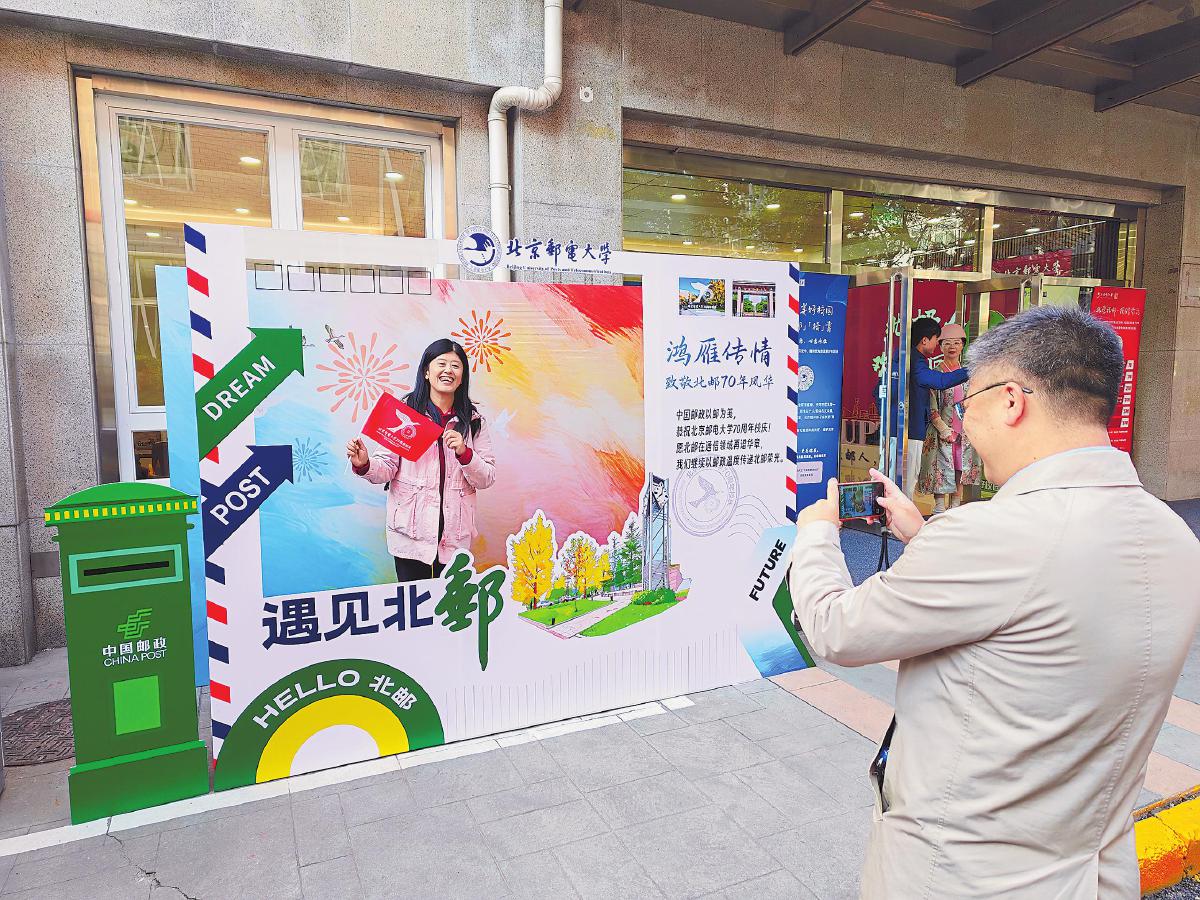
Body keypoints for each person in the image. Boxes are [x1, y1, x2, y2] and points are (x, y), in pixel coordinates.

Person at [789, 305, 1200, 898]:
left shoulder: (988, 536)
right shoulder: (1172, 536)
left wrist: (816, 535)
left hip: (959, 875)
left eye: (968, 401)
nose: (965, 418)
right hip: (1094, 872)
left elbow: (835, 628)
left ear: (1011, 401)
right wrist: (925, 538)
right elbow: (1047, 606)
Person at [346, 338, 496, 582]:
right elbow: (387, 467)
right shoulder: (404, 413)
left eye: (456, 366)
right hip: (410, 535)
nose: (448, 370)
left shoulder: (474, 421)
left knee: (450, 604)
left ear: (462, 377)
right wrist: (364, 464)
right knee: (415, 603)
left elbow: (486, 477)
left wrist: (465, 453)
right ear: (426, 371)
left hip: (454, 537)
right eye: (441, 364)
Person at [903, 317, 969, 499]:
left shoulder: (909, 358)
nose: (951, 346)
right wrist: (974, 368)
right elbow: (940, 381)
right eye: (938, 340)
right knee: (909, 479)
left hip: (913, 428)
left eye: (957, 342)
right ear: (925, 340)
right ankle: (902, 513)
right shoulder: (917, 363)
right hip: (913, 428)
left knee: (907, 478)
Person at [917, 323, 980, 513]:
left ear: (962, 346)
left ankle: (955, 506)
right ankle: (938, 508)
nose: (952, 347)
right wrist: (943, 429)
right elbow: (931, 406)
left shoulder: (970, 374)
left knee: (960, 466)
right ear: (940, 346)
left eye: (957, 343)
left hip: (964, 429)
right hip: (942, 430)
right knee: (941, 467)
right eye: (947, 343)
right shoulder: (935, 373)